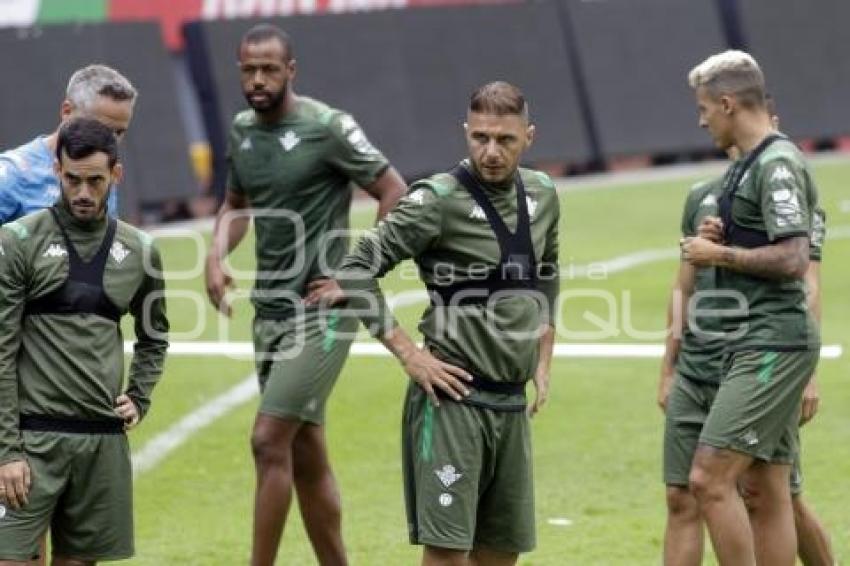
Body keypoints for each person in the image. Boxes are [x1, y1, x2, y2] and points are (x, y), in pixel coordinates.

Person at [305, 81, 560, 566]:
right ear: (465, 132)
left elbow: (547, 271)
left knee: (501, 554)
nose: (490, 151)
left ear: (529, 137)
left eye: (504, 140)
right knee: (447, 554)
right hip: (452, 406)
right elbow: (356, 268)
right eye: (480, 137)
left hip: (509, 405)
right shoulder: (436, 200)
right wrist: (409, 353)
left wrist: (544, 353)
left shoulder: (543, 193)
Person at [203, 23, 406, 566]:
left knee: (267, 440)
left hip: (324, 311)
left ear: (291, 70)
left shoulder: (328, 127)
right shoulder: (242, 130)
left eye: (270, 68)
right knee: (306, 456)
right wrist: (215, 254)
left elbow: (394, 191)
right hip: (268, 312)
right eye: (249, 69)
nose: (258, 79)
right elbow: (237, 205)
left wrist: (357, 275)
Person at [658, 121, 833, 565]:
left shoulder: (787, 196)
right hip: (700, 364)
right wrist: (668, 368)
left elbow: (806, 283)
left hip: (761, 361)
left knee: (774, 493)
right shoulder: (703, 196)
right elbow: (684, 284)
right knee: (683, 496)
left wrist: (805, 376)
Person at [0, 117, 169, 565]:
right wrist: (6, 452)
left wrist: (139, 396)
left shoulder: (140, 251)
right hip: (31, 443)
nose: (83, 193)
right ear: (57, 170)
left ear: (116, 174)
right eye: (73, 179)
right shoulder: (19, 242)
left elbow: (155, 335)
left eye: (95, 181)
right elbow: (0, 350)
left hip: (100, 444)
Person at [0, 64, 136, 224]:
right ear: (67, 111)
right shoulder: (12, 175)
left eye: (119, 132)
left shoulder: (103, 169)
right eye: (100, 128)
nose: (110, 140)